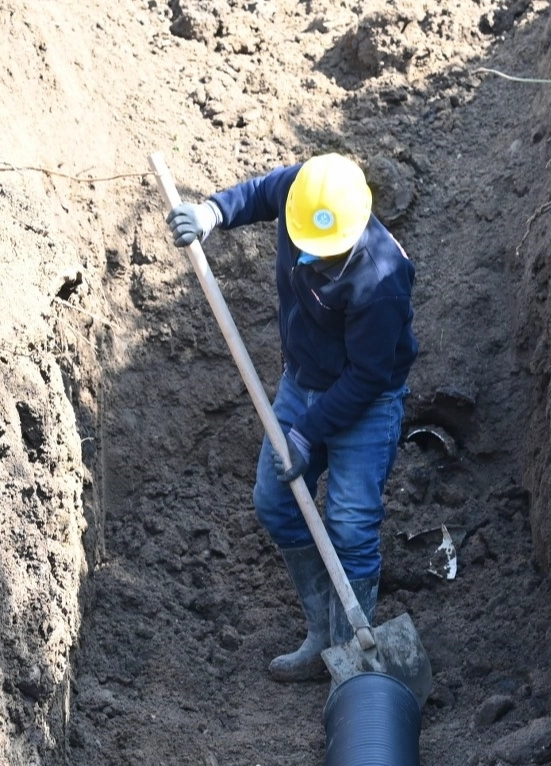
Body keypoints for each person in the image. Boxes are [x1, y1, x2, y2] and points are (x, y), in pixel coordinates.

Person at [166, 154, 420, 681]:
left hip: (366, 403)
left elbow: (368, 376)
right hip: (302, 381)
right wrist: (212, 212)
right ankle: (324, 636)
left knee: (350, 524)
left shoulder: (382, 280)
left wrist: (307, 434)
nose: (313, 259)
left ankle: (354, 666)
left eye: (328, 254)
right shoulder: (303, 194)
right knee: (275, 502)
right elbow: (261, 192)